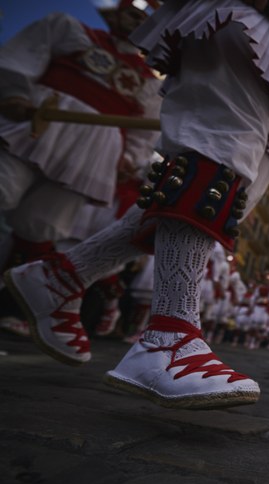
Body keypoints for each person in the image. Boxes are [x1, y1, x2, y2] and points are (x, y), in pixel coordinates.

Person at [4, 0, 269, 409]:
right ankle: (168, 335)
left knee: (216, 200)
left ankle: (62, 277)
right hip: (255, 15)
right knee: (215, 158)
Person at [0, 0, 163, 331]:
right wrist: (13, 95)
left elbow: (143, 132)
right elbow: (19, 60)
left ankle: (12, 309)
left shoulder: (150, 83)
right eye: (133, 12)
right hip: (37, 129)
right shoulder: (71, 30)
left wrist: (128, 160)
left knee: (42, 226)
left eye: (146, 19)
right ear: (115, 13)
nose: (137, 21)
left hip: (91, 158)